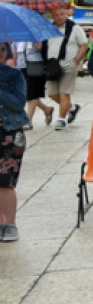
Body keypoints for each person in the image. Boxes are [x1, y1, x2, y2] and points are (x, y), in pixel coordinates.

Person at [41, 5, 83, 129]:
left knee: (64, 93)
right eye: (56, 15)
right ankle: (72, 108)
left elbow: (84, 45)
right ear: (52, 16)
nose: (59, 17)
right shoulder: (48, 28)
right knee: (52, 94)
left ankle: (61, 119)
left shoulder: (75, 28)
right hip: (52, 66)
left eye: (62, 14)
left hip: (69, 65)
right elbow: (44, 46)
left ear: (66, 14)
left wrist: (77, 60)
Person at [0, 45, 26, 242]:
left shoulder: (14, 75)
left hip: (8, 133)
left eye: (2, 49)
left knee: (5, 181)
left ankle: (10, 224)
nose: (0, 53)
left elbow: (18, 103)